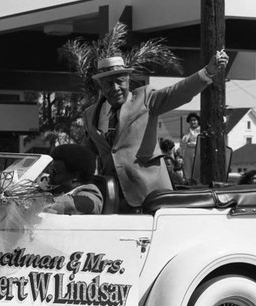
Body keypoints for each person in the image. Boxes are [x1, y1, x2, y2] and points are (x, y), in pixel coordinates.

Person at [82, 51, 229, 212]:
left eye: (120, 81)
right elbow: (88, 153)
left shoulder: (145, 98)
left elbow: (177, 92)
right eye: (109, 83)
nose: (115, 88)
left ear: (128, 80)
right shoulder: (90, 114)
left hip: (151, 195)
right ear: (100, 86)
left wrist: (207, 72)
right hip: (113, 199)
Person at [45, 144, 103, 215]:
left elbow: (73, 205)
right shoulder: (57, 190)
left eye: (54, 172)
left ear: (74, 178)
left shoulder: (90, 192)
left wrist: (37, 204)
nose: (49, 177)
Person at [180, 112, 201, 181]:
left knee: (196, 169)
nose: (193, 122)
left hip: (197, 152)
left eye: (194, 120)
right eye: (191, 120)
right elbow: (183, 144)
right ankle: (188, 180)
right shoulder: (187, 131)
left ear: (198, 121)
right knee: (187, 169)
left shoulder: (200, 131)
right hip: (188, 153)